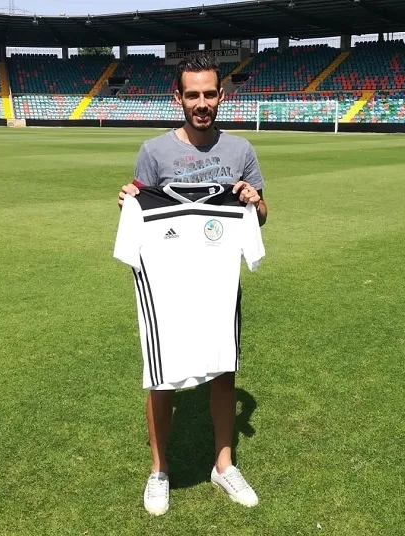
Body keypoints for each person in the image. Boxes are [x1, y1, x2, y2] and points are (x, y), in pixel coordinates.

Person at [117, 51, 268, 516]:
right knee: (161, 377)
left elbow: (260, 218)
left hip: (219, 284)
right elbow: (139, 208)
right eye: (193, 95)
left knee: (225, 370)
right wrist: (126, 203)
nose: (201, 103)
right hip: (166, 289)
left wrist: (253, 201)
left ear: (221, 96)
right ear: (179, 97)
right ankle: (158, 472)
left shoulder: (240, 151)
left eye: (209, 94)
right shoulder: (154, 152)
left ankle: (223, 465)